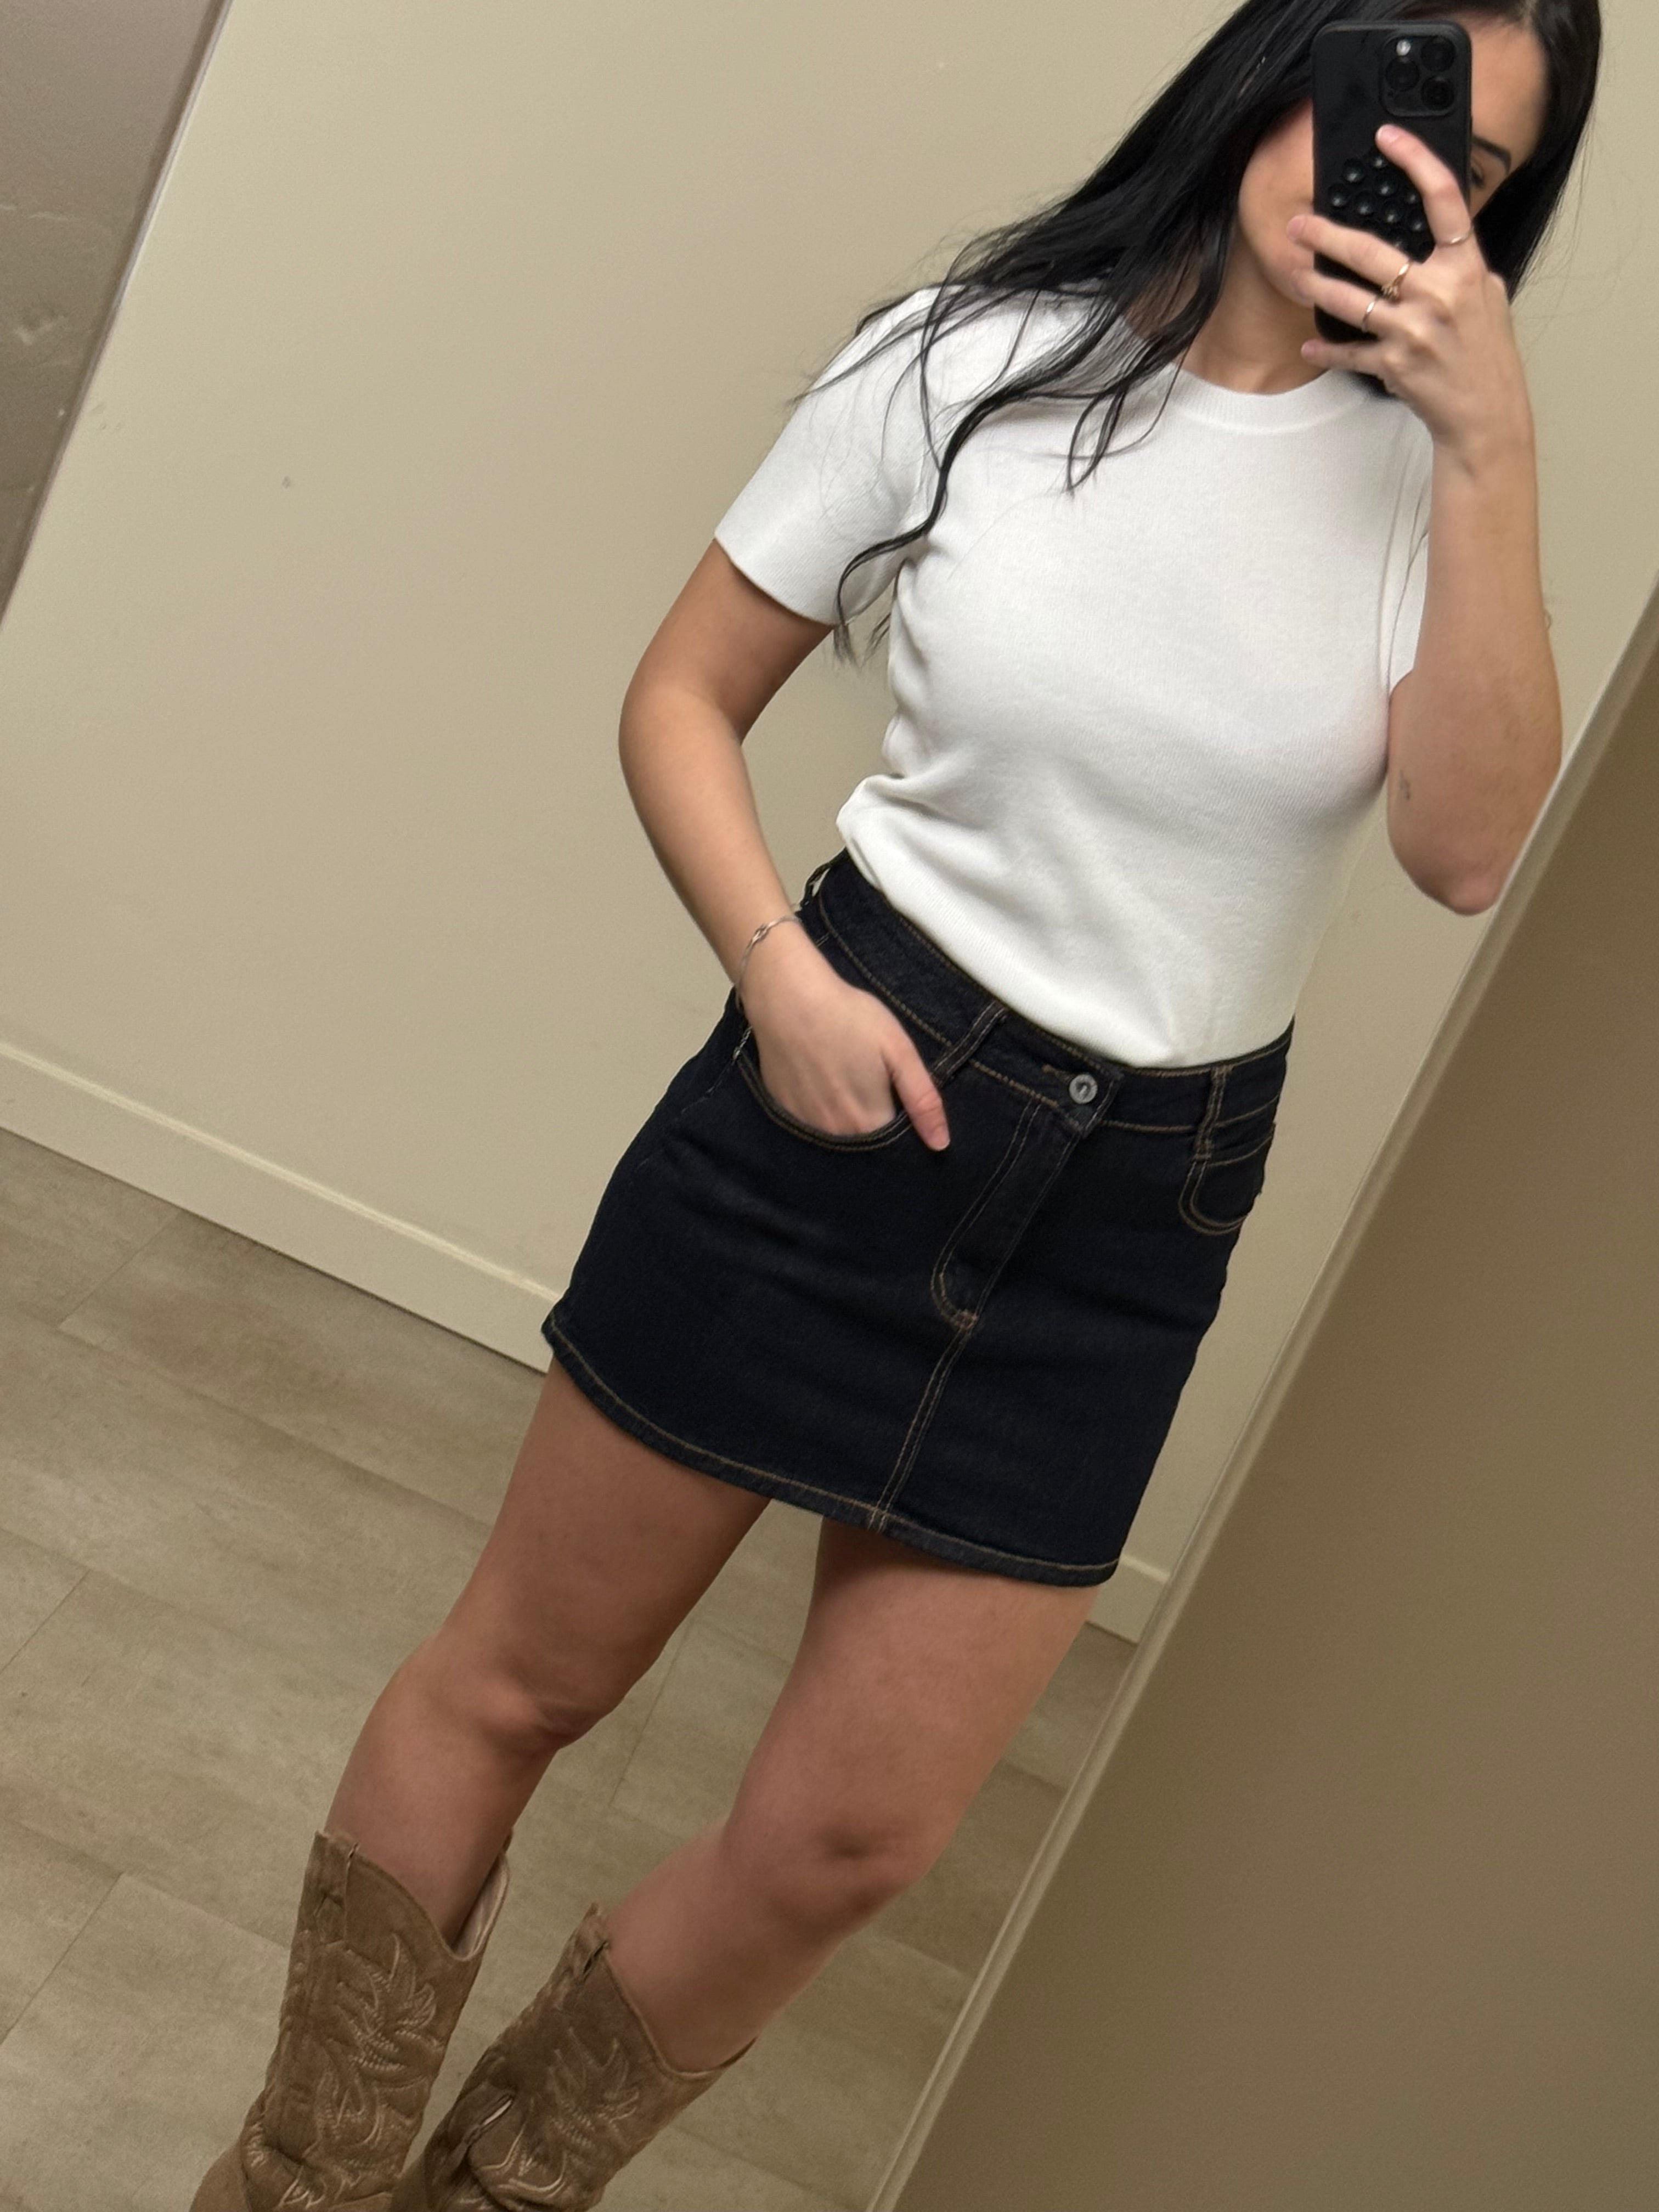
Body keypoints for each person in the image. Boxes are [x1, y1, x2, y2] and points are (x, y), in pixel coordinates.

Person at [192, 3, 1600, 2207]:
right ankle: (294, 2187)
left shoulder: (1437, 484)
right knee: (521, 1684)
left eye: (1467, 177)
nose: (1393, 181)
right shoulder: (973, 362)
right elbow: (682, 693)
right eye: (1381, 105)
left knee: (851, 1840)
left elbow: (1470, 846)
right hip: (841, 1107)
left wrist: (1496, 453)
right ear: (1275, 70)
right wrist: (779, 970)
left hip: (1135, 1216)